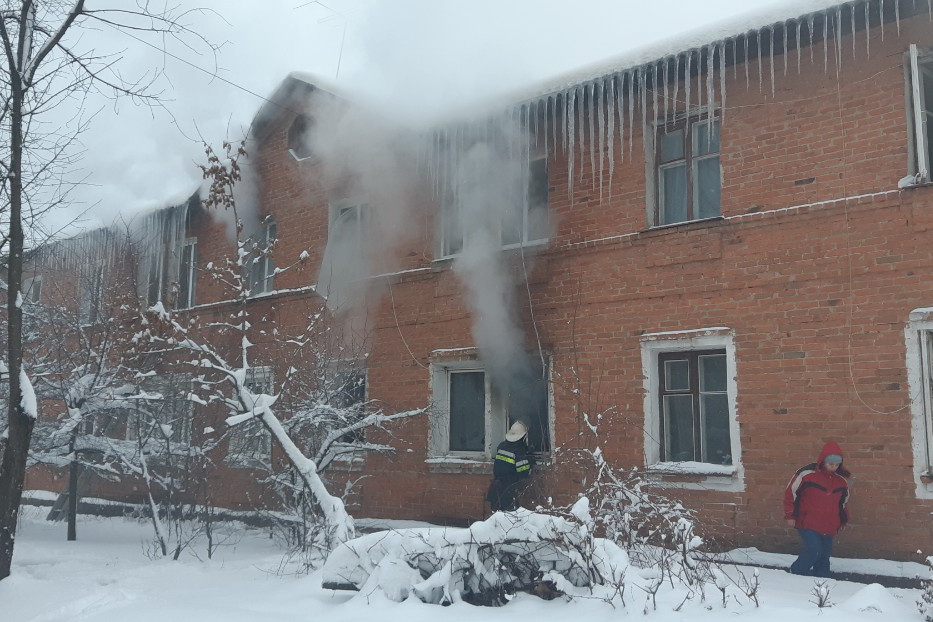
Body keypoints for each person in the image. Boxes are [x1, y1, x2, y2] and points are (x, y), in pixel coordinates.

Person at [783, 440, 851, 578]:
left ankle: (822, 583)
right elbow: (791, 493)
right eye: (830, 464)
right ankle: (794, 574)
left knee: (824, 556)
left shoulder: (841, 481)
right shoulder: (806, 474)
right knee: (815, 551)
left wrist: (842, 521)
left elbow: (842, 504)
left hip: (829, 526)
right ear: (823, 461)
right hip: (807, 522)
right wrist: (790, 515)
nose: (833, 467)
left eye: (837, 465)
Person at [486, 420, 533, 512]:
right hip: (509, 488)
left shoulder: (502, 445)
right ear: (523, 436)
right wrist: (529, 460)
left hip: (496, 487)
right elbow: (523, 472)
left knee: (498, 517)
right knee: (509, 517)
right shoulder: (519, 451)